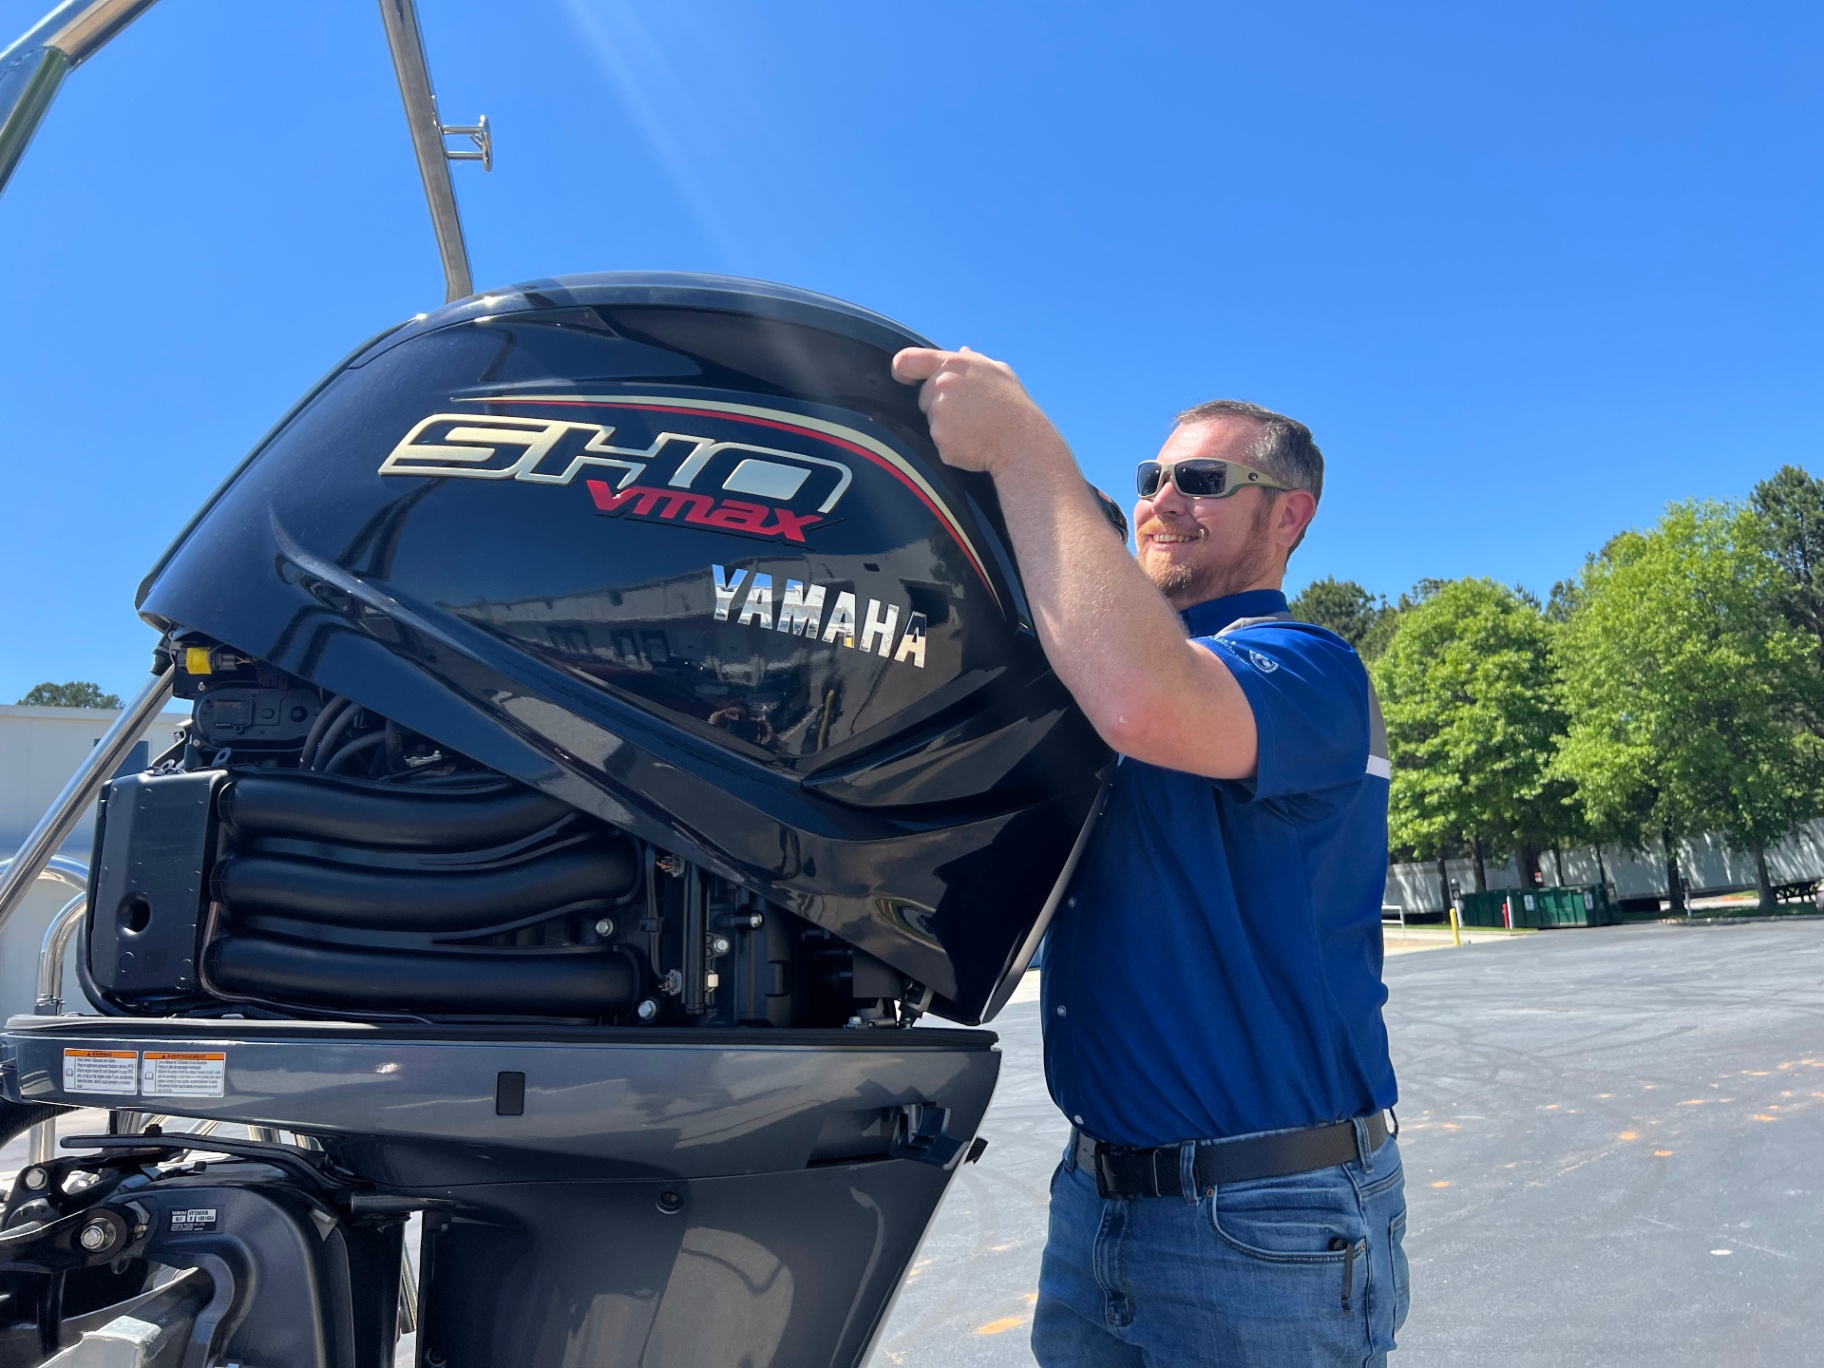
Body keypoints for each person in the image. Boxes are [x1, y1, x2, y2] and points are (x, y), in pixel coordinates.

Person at [892, 347, 1407, 1366]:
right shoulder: (1100, 679)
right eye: (1151, 478)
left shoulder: (1308, 670)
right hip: (1099, 1204)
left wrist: (1026, 448)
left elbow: (1147, 697)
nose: (1163, 500)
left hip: (1266, 1227)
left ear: (1289, 516)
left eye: (1203, 481)